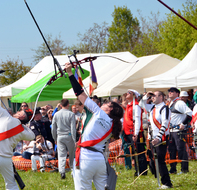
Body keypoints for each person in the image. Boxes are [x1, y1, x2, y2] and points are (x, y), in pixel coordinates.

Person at [65, 62, 123, 190]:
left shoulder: (99, 113)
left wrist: (70, 73)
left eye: (107, 103)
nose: (104, 103)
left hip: (86, 158)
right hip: (99, 160)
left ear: (110, 109)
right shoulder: (113, 123)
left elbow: (79, 94)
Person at [0, 75, 35, 190]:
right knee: (12, 185)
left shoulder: (5, 116)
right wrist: (24, 124)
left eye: (20, 111)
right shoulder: (23, 130)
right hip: (6, 159)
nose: (18, 111)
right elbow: (32, 135)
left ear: (21, 115)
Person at [140, 91, 173, 189]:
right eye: (152, 96)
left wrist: (158, 137)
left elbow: (165, 124)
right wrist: (147, 95)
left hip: (161, 138)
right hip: (152, 138)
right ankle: (161, 178)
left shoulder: (165, 108)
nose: (152, 97)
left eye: (155, 96)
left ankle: (167, 183)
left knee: (160, 161)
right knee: (153, 160)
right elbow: (141, 104)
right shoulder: (153, 107)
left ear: (161, 97)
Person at [122, 89, 148, 175]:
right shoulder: (129, 106)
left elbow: (137, 120)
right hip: (129, 133)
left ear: (133, 95)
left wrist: (136, 133)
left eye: (129, 93)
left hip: (135, 133)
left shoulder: (135, 106)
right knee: (134, 152)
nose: (127, 94)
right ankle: (137, 169)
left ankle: (142, 171)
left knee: (139, 152)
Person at [167, 87, 192, 174]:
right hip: (171, 130)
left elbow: (190, 114)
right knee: (172, 150)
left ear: (177, 94)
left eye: (172, 91)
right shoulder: (171, 103)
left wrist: (184, 124)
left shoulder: (180, 103)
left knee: (181, 149)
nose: (170, 93)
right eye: (169, 91)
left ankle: (184, 169)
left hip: (178, 131)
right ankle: (173, 169)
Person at [52, 98, 76, 179]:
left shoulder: (56, 114)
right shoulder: (71, 114)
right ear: (68, 105)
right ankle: (73, 170)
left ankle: (62, 171)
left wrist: (55, 138)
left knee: (61, 155)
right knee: (72, 154)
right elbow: (73, 128)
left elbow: (53, 128)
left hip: (60, 136)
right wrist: (74, 139)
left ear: (61, 105)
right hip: (69, 135)